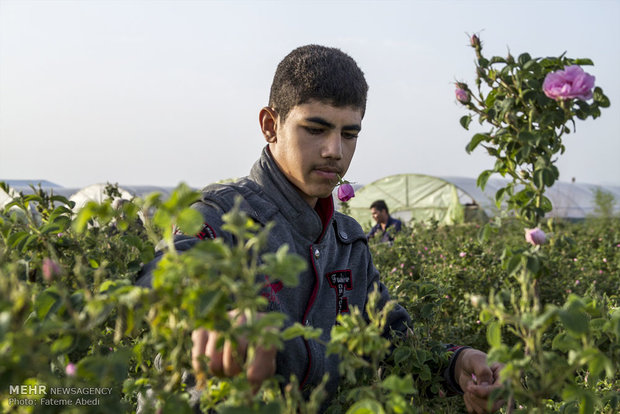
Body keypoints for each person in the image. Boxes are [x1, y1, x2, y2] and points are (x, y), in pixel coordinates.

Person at [136, 45, 503, 413]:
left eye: (349, 134)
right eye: (316, 129)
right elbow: (162, 280)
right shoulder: (223, 217)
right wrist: (215, 319)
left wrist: (459, 363)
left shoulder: (347, 242)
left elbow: (393, 338)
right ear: (270, 125)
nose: (335, 151)